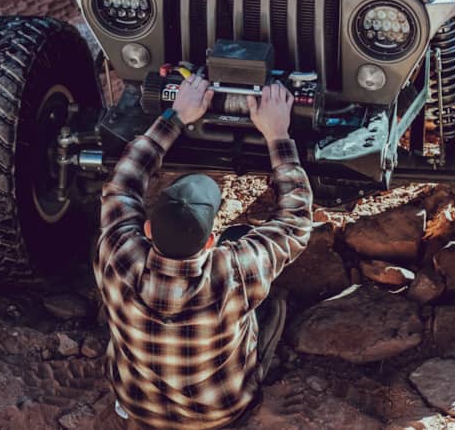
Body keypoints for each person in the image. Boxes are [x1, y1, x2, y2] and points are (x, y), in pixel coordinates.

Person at [93, 74, 313, 429]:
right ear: (212, 242)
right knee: (254, 258)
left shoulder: (117, 254)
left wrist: (175, 116)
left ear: (148, 229)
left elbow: (123, 182)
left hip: (138, 406)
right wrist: (278, 135)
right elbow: (296, 223)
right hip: (220, 413)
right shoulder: (235, 273)